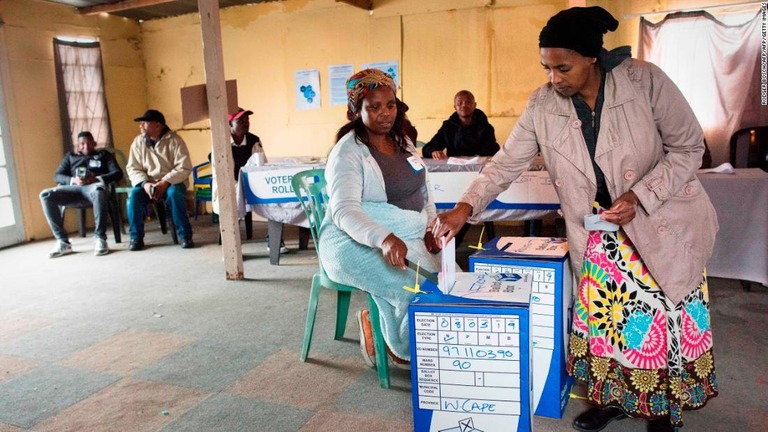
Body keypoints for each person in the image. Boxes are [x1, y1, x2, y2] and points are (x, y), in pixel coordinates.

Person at [432, 7, 718, 432]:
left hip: (660, 220)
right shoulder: (543, 103)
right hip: (600, 234)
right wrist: (465, 206)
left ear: (592, 58)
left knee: (658, 321)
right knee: (609, 322)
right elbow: (506, 163)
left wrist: (642, 194)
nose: (553, 78)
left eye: (562, 67)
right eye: (546, 68)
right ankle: (615, 400)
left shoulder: (645, 81)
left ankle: (659, 410)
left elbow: (689, 148)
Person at [319, 69, 441, 368]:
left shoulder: (403, 142)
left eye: (390, 104)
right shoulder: (347, 153)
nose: (385, 113)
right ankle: (400, 348)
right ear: (354, 112)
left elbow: (425, 193)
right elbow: (345, 210)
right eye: (374, 107)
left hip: (408, 233)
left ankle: (378, 323)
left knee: (449, 285)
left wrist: (430, 225)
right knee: (420, 290)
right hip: (350, 241)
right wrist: (383, 238)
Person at [211, 107, 288, 252]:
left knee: (274, 197)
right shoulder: (221, 144)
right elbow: (221, 174)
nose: (246, 123)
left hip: (253, 183)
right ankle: (232, 245)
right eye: (240, 121)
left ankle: (274, 239)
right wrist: (238, 186)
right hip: (230, 185)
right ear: (230, 125)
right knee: (231, 198)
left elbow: (262, 166)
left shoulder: (254, 140)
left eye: (247, 120)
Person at [40, 131, 123, 257]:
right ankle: (63, 241)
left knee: (99, 190)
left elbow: (117, 173)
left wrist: (97, 179)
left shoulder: (104, 155)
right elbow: (57, 176)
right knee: (45, 195)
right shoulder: (70, 157)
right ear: (78, 146)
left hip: (94, 188)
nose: (86, 146)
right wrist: (74, 180)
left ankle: (100, 238)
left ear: (94, 143)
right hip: (73, 189)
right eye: (82, 144)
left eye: (89, 143)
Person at [125, 109, 194, 250]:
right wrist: (145, 183)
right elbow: (132, 168)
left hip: (172, 183)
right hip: (148, 184)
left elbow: (184, 167)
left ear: (157, 125)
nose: (141, 126)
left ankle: (185, 236)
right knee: (134, 196)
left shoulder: (175, 141)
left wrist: (165, 182)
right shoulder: (138, 142)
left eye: (144, 123)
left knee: (175, 195)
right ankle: (136, 238)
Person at [421, 90, 500, 160]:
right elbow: (428, 147)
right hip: (455, 171)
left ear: (474, 105)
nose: (464, 105)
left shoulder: (486, 127)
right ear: (455, 107)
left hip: (479, 170)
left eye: (468, 102)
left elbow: (494, 150)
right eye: (459, 103)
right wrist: (434, 152)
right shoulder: (448, 127)